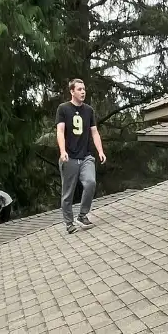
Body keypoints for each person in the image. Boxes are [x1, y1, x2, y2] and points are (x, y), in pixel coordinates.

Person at [56, 78, 106, 233]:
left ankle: (82, 215)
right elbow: (60, 131)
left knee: (90, 182)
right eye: (79, 89)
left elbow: (94, 132)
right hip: (69, 157)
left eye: (84, 89)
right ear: (72, 91)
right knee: (68, 193)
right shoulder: (63, 109)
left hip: (86, 156)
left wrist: (100, 151)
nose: (83, 92)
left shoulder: (89, 110)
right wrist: (63, 151)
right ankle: (69, 223)